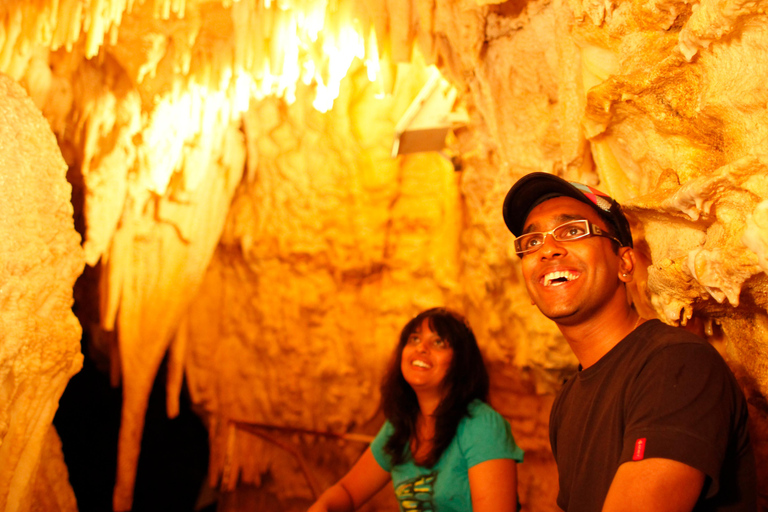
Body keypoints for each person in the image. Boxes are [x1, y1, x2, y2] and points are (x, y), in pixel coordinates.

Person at [502, 172, 756, 512]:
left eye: (572, 231)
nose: (547, 249)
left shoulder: (675, 364)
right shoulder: (567, 401)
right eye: (532, 242)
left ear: (624, 264)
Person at [308, 307, 524, 512]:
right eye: (414, 339)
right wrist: (322, 507)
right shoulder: (401, 424)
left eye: (438, 342)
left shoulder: (481, 424)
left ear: (461, 363)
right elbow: (348, 492)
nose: (421, 348)